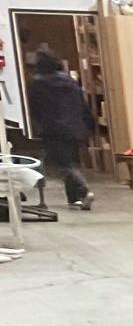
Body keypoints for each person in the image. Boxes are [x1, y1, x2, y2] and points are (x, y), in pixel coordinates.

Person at [27, 50, 93, 210]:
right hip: (75, 127)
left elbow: (35, 108)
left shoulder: (38, 83)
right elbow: (82, 104)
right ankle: (74, 198)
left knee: (61, 163)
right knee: (72, 161)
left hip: (52, 128)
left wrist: (39, 125)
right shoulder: (70, 81)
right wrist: (87, 125)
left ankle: (84, 189)